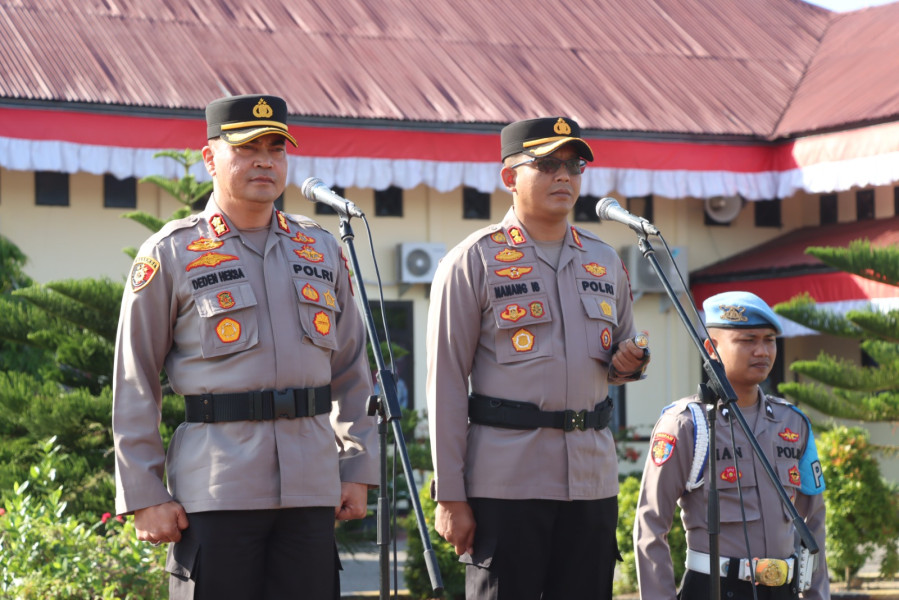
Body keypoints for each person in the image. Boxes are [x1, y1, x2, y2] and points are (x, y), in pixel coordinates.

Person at [112, 93, 379, 599]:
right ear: (211, 158)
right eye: (247, 147)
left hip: (309, 488)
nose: (264, 160)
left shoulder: (320, 248)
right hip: (216, 491)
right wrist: (144, 492)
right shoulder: (172, 251)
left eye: (276, 148)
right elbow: (135, 378)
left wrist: (358, 466)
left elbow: (351, 370)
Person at [426, 116, 651, 599]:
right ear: (510, 177)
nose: (564, 176)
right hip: (507, 482)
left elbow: (616, 358)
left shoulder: (604, 260)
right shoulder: (474, 260)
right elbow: (445, 384)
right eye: (547, 164)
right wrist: (450, 494)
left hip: (590, 481)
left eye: (574, 165)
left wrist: (629, 362)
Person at [633, 291, 828, 600]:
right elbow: (651, 524)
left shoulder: (794, 424)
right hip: (715, 588)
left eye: (769, 340)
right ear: (712, 348)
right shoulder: (687, 425)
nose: (762, 351)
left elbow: (813, 520)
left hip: (783, 590)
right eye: (747, 340)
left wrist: (817, 595)